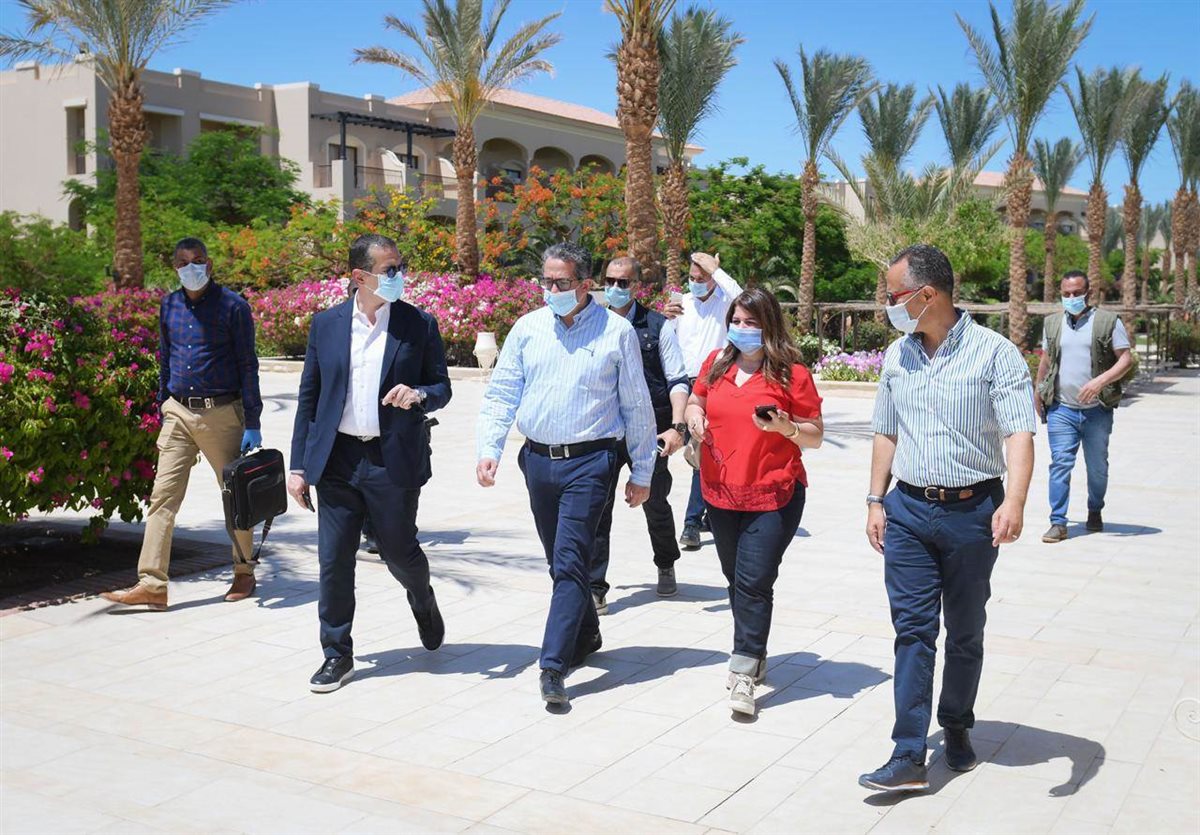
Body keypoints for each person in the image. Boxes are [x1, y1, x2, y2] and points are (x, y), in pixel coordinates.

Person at [860, 244, 1036, 792]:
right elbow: (886, 430)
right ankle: (908, 752)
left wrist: (1015, 502)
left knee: (964, 630)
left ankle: (956, 724)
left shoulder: (995, 354)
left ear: (927, 294)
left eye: (894, 296)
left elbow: (1019, 432)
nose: (889, 305)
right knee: (912, 631)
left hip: (972, 513)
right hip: (908, 510)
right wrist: (875, 500)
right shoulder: (898, 355)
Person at [476, 242, 656, 707]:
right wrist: (489, 448)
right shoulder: (527, 328)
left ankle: (553, 664)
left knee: (572, 558)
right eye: (546, 280)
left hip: (591, 462)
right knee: (560, 562)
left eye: (560, 282)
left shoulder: (616, 332)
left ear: (584, 284)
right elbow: (502, 392)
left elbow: (636, 405)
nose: (550, 289)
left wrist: (643, 470)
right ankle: (587, 632)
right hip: (538, 460)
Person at [288, 233, 452, 693]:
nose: (399, 276)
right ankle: (336, 653)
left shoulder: (418, 324)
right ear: (360, 277)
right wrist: (299, 466)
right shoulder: (327, 325)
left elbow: (442, 386)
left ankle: (421, 597)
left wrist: (418, 394)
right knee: (334, 560)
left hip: (390, 459)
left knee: (400, 551)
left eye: (401, 267)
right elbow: (309, 399)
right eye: (389, 270)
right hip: (337, 460)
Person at [682, 287, 823, 717]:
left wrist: (786, 428)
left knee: (754, 580)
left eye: (751, 323)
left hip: (774, 494)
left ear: (769, 327)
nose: (741, 329)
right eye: (736, 321)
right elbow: (696, 399)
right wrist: (693, 414)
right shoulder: (716, 363)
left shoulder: (792, 374)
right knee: (736, 578)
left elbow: (815, 434)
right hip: (721, 492)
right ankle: (755, 650)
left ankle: (742, 670)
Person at [102, 238, 263, 610]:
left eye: (197, 260)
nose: (191, 267)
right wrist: (163, 402)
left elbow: (248, 364)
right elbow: (165, 356)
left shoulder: (233, 306)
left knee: (234, 497)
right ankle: (152, 584)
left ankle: (243, 571)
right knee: (163, 496)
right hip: (177, 411)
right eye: (183, 262)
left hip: (221, 412)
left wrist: (252, 420)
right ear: (175, 267)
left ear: (209, 264)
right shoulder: (170, 305)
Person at [590, 255, 691, 612]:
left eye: (623, 282)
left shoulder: (659, 326)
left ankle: (666, 562)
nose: (615, 288)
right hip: (604, 432)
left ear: (636, 286)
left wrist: (677, 428)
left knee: (655, 501)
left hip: (650, 430)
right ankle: (595, 586)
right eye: (610, 281)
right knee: (598, 507)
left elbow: (677, 379)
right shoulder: (593, 324)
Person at [1034, 270, 1133, 543]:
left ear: (1089, 293)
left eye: (1077, 293)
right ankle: (1058, 522)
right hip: (1062, 409)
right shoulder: (1052, 323)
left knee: (1097, 467)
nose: (1071, 297)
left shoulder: (1108, 321)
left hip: (1097, 410)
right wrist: (1038, 390)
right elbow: (1047, 360)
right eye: (1066, 293)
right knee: (1060, 464)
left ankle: (1095, 509)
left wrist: (1100, 381)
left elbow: (1125, 359)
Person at [667, 252, 742, 551]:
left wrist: (717, 271)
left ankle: (691, 522)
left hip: (712, 382)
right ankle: (710, 511)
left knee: (703, 451)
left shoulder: (725, 303)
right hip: (681, 384)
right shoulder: (682, 303)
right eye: (692, 278)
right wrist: (667, 320)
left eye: (703, 277)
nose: (696, 283)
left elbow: (742, 297)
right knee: (690, 451)